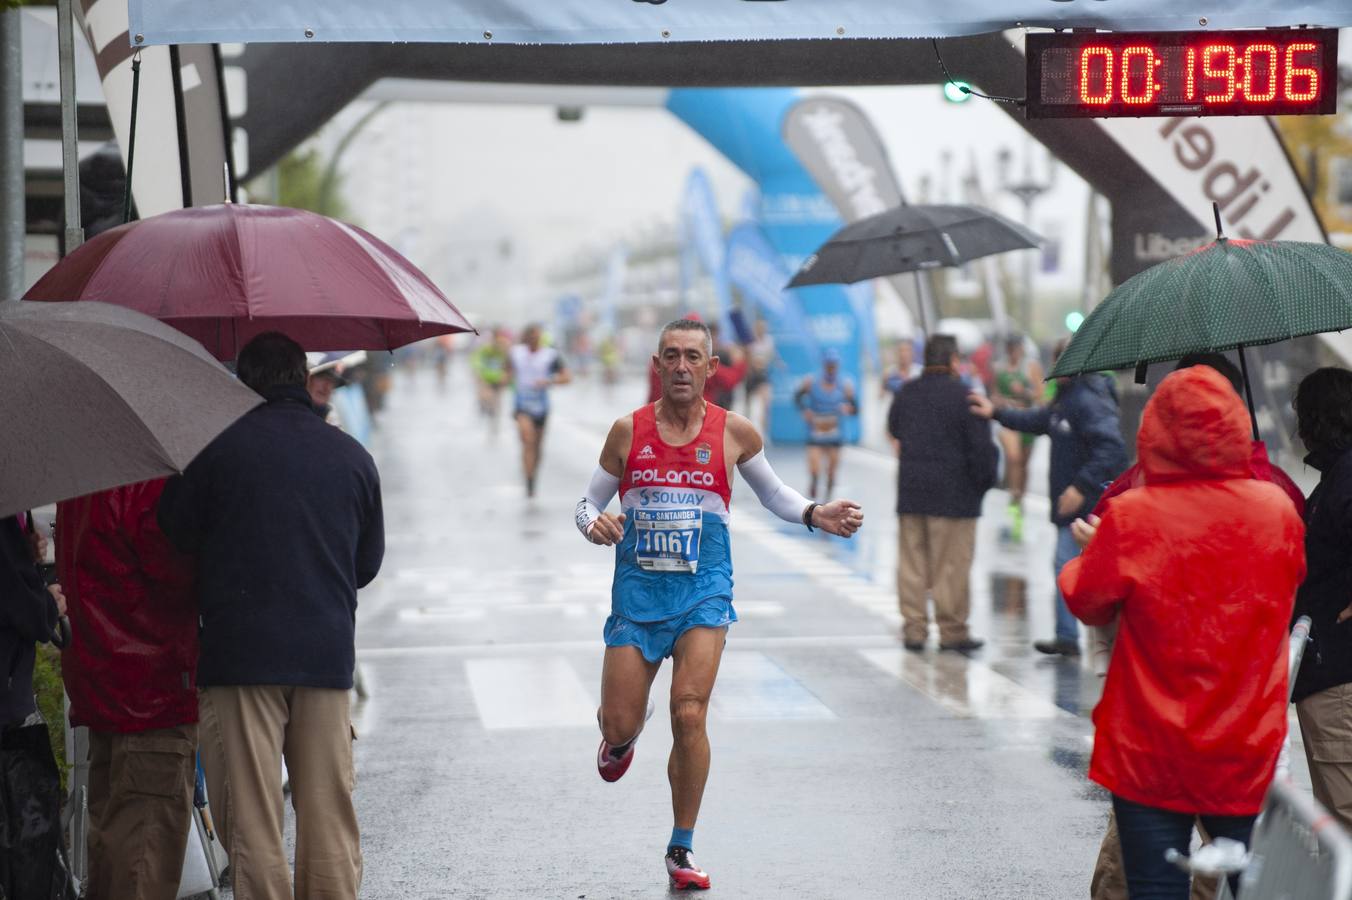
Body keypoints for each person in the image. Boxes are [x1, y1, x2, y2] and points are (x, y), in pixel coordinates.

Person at [576, 318, 863, 891]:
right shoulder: (626, 432)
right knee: (619, 718)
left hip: (704, 590)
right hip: (636, 596)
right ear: (657, 366)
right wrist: (595, 524)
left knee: (690, 711)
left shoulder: (734, 432)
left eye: (692, 357)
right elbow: (586, 502)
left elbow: (775, 493)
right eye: (671, 356)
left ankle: (680, 848)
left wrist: (815, 513)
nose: (681, 366)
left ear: (711, 368)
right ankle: (623, 733)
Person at [1058, 366, 1305, 900]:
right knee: (1251, 886)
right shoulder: (1277, 512)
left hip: (1150, 748)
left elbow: (1086, 599)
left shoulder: (1132, 517)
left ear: (1156, 430)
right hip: (1245, 743)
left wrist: (1088, 556)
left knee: (1153, 888)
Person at [158, 332, 384, 900]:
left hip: (240, 657)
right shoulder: (350, 456)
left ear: (243, 383)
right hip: (325, 655)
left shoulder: (212, 451)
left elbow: (175, 535)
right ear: (302, 377)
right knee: (328, 812)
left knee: (253, 820)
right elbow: (367, 563)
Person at [56, 481, 197, 900]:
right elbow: (177, 575)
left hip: (102, 685)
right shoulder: (147, 487)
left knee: (110, 853)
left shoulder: (82, 485)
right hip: (152, 688)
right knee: (143, 860)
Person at [969, 340, 1127, 657]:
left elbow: (1112, 449)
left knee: (1075, 569)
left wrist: (1080, 487)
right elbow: (1038, 420)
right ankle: (1069, 636)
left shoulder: (1087, 400)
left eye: (1061, 361)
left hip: (1087, 507)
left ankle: (1088, 639)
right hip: (1075, 506)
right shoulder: (1067, 399)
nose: (1055, 369)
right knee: (1067, 567)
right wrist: (997, 412)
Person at [888, 334, 998, 652]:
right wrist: (984, 483)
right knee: (950, 567)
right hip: (955, 497)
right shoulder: (966, 397)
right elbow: (982, 451)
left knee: (912, 564)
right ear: (953, 361)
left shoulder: (907, 392)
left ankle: (914, 629)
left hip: (912, 493)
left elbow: (895, 428)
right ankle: (951, 631)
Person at [1290, 367, 1352, 833]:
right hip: (1328, 672)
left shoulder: (1347, 478)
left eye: (1302, 414)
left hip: (1339, 678)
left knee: (1344, 817)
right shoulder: (1336, 476)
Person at [990, 335, 1043, 544]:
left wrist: (1026, 394)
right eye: (1011, 349)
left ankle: (1019, 497)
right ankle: (1013, 498)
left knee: (1024, 463)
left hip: (1027, 420)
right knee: (1014, 457)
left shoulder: (1031, 368)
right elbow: (993, 395)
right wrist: (1003, 401)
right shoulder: (1000, 369)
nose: (1014, 353)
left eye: (1017, 349)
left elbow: (1040, 395)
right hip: (1007, 420)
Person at [509, 324, 571, 497]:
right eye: (531, 337)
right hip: (522, 404)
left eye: (537, 338)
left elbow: (567, 377)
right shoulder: (516, 353)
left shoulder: (550, 355)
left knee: (537, 446)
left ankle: (532, 476)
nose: (533, 341)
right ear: (526, 338)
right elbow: (506, 370)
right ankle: (528, 479)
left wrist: (549, 381)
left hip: (542, 406)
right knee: (528, 440)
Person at [794, 349, 858, 499]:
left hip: (834, 433)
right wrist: (805, 411)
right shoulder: (811, 382)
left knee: (831, 470)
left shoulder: (845, 384)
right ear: (824, 365)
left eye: (834, 365)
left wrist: (848, 408)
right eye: (829, 365)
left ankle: (828, 497)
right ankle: (814, 482)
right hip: (816, 431)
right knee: (815, 467)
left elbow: (856, 409)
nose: (831, 368)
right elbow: (797, 398)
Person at [471, 327, 511, 428]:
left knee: (497, 400)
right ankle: (485, 407)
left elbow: (508, 365)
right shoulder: (485, 348)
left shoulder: (504, 349)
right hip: (486, 378)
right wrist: (479, 375)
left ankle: (494, 421)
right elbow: (477, 361)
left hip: (498, 379)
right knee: (487, 397)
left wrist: (506, 375)